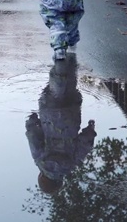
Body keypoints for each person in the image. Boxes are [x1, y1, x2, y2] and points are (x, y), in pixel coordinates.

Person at [25, 54, 96, 195]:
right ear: (41, 177)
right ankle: (60, 64)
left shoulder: (71, 164)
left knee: (71, 87)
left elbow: (85, 144)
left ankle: (71, 59)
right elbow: (33, 137)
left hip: (71, 116)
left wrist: (90, 129)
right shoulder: (41, 161)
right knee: (53, 92)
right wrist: (32, 121)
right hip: (49, 115)